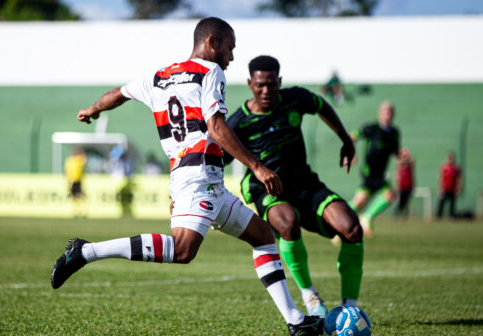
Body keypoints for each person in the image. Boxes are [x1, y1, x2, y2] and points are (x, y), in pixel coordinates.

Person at [50, 17, 323, 336]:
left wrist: (94, 109)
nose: (231, 57)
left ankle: (295, 321)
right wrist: (257, 166)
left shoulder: (158, 76)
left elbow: (117, 94)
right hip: (196, 177)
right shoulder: (211, 71)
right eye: (230, 48)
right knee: (182, 250)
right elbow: (216, 127)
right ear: (211, 42)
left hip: (202, 179)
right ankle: (85, 251)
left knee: (263, 236)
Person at [224, 55, 363, 318]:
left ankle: (350, 309)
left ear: (280, 82)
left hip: (305, 183)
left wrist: (345, 138)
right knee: (287, 224)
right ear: (250, 84)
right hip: (266, 189)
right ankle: (309, 295)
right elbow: (218, 159)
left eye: (272, 84)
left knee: (352, 229)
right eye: (260, 85)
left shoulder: (295, 99)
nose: (266, 91)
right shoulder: (238, 122)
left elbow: (321, 105)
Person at [348, 101, 401, 237]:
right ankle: (338, 221)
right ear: (380, 113)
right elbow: (351, 136)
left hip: (381, 175)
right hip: (369, 174)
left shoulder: (394, 133)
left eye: (389, 111)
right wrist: (350, 153)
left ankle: (365, 218)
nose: (387, 114)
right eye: (384, 111)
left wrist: (403, 155)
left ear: (393, 114)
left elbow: (396, 152)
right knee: (359, 202)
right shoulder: (371, 129)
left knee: (389, 194)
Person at [436, 151, 463, 219]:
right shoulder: (444, 167)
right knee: (441, 202)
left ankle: (452, 216)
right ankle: (439, 216)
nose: (450, 159)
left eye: (451, 158)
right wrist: (439, 188)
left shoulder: (456, 168)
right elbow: (440, 177)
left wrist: (459, 188)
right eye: (449, 158)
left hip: (453, 189)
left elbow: (459, 179)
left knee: (452, 203)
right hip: (444, 188)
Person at [64, 147, 87, 217]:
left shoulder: (79, 159)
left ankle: (82, 211)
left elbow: (85, 160)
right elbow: (66, 172)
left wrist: (83, 153)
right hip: (72, 181)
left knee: (81, 196)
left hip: (78, 180)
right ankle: (76, 211)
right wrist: (67, 181)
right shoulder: (69, 161)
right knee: (74, 197)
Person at [394, 148, 414, 218]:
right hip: (401, 187)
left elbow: (411, 160)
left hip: (409, 186)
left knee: (407, 201)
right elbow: (399, 161)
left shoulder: (410, 166)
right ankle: (397, 213)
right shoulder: (400, 167)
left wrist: (408, 154)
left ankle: (406, 214)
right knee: (401, 201)